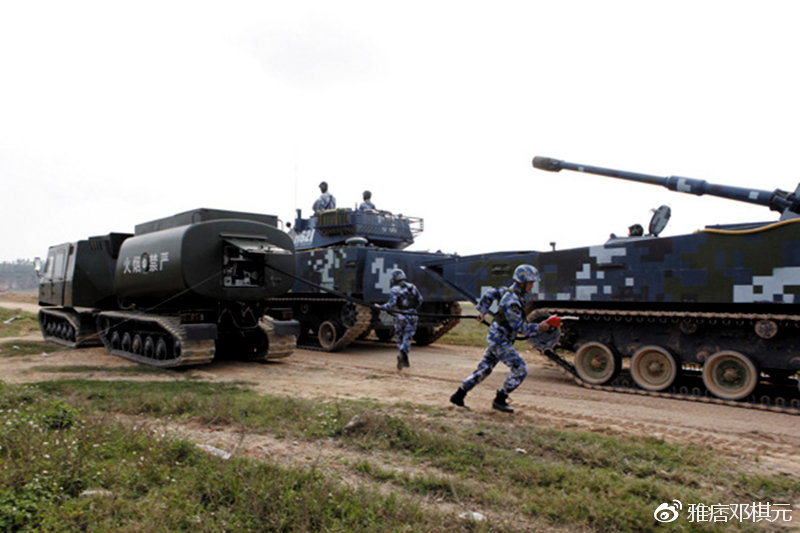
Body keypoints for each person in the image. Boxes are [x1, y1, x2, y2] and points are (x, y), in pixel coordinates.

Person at [450, 264, 551, 413]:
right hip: (499, 341)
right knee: (520, 369)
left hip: (497, 338)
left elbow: (491, 293)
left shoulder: (510, 292)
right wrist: (540, 328)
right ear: (522, 282)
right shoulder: (512, 301)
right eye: (531, 282)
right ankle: (500, 399)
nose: (532, 285)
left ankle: (458, 395)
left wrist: (482, 311)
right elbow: (521, 328)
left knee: (483, 370)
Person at [379, 269, 423, 370]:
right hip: (413, 315)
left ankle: (402, 352)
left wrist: (380, 307)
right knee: (408, 335)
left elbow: (391, 304)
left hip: (401, 316)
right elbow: (420, 300)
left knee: (399, 336)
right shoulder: (413, 287)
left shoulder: (395, 289)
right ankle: (404, 352)